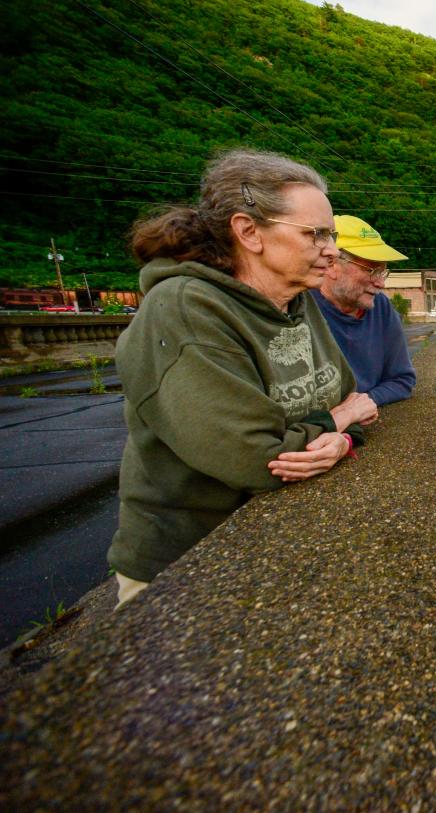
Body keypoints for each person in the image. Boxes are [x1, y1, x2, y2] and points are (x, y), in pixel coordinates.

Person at [107, 149, 377, 606]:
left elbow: (353, 401)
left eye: (329, 235)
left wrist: (345, 436)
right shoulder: (184, 310)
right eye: (316, 235)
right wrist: (334, 423)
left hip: (276, 542)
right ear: (249, 231)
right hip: (185, 569)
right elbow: (258, 458)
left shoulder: (296, 301)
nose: (331, 250)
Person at [310, 215, 416, 406]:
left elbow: (402, 380)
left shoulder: (381, 308)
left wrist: (360, 405)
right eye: (371, 270)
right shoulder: (300, 308)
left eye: (383, 271)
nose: (381, 283)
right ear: (332, 264)